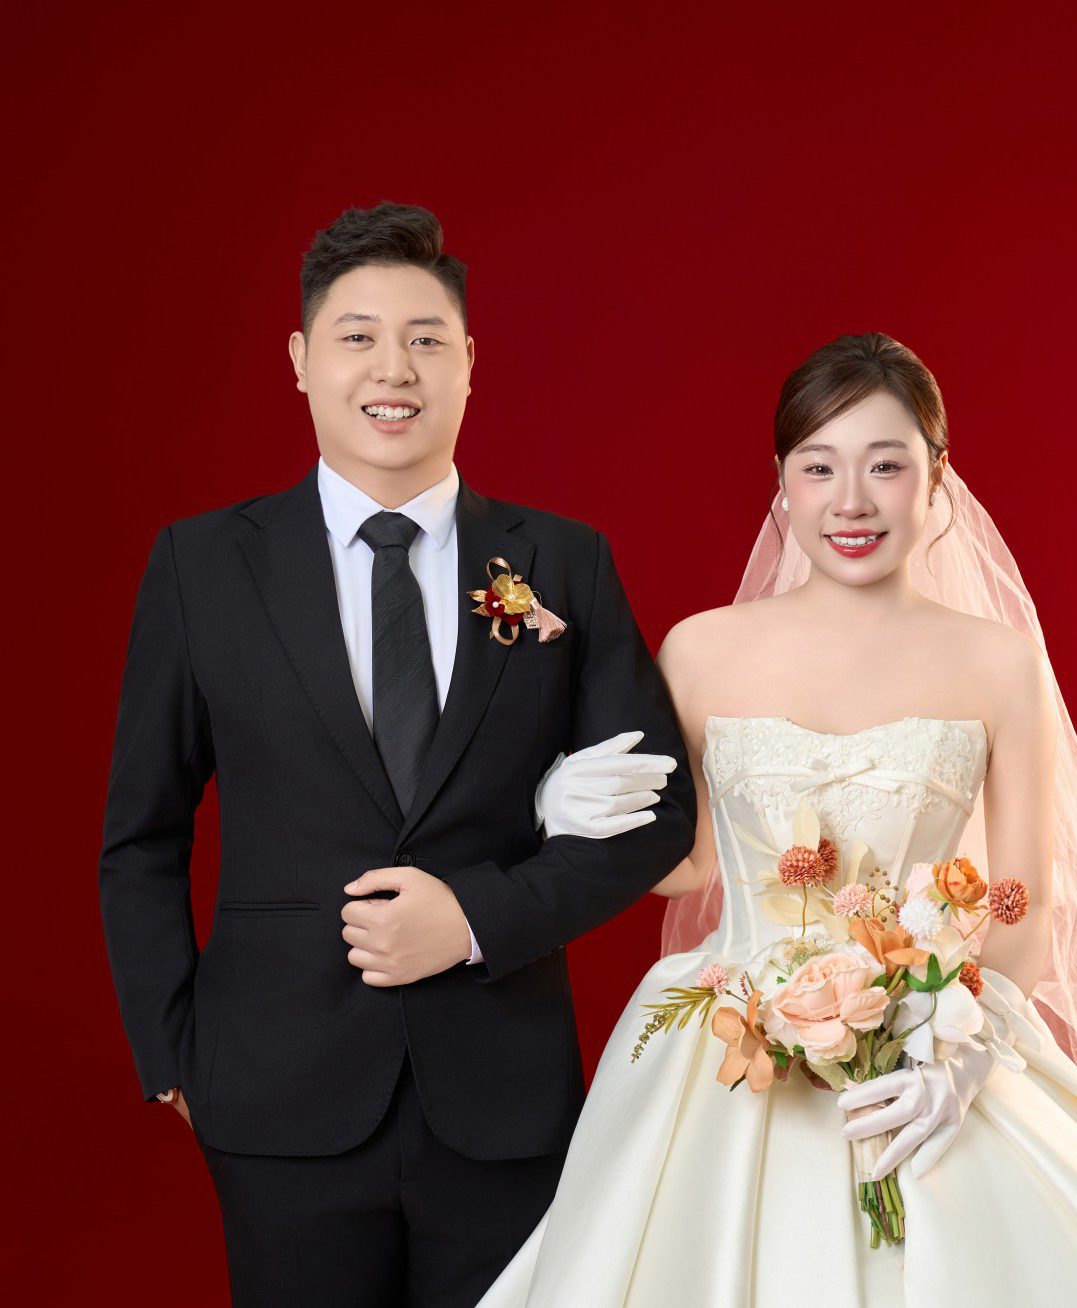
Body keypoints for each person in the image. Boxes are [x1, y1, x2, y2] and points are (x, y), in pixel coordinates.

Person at [477, 332, 1077, 1306]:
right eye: (819, 467)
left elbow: (1019, 899)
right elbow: (685, 865)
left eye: (885, 466)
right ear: (782, 487)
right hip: (730, 1040)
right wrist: (562, 805)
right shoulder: (701, 651)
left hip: (933, 1036)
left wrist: (962, 1044)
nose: (850, 500)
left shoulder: (998, 661)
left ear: (936, 480)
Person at [97, 201, 692, 1307]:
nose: (393, 368)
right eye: (358, 336)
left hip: (502, 1094)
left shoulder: (561, 562)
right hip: (272, 1089)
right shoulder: (202, 566)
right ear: (300, 360)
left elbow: (659, 815)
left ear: (468, 362)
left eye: (425, 338)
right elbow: (142, 834)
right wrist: (171, 1052)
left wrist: (474, 919)